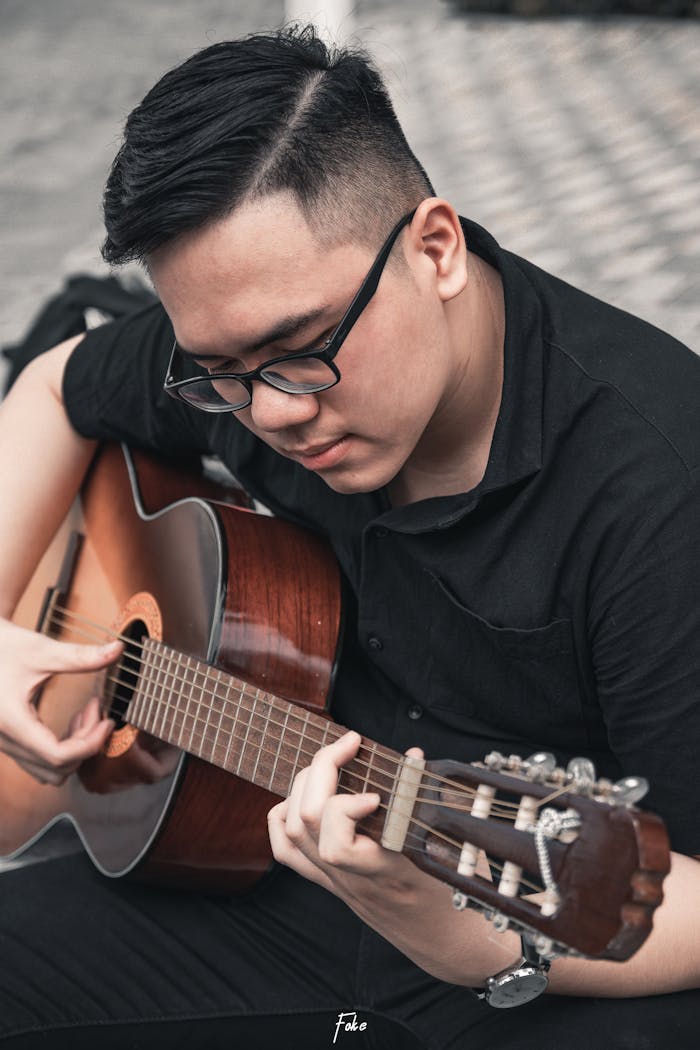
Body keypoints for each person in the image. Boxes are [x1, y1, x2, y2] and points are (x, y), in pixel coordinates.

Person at [0, 24, 699, 1050]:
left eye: (299, 352)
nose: (269, 412)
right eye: (218, 372)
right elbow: (58, 381)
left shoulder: (654, 488)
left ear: (435, 249)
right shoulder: (248, 348)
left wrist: (483, 945)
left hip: (550, 935)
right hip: (270, 866)